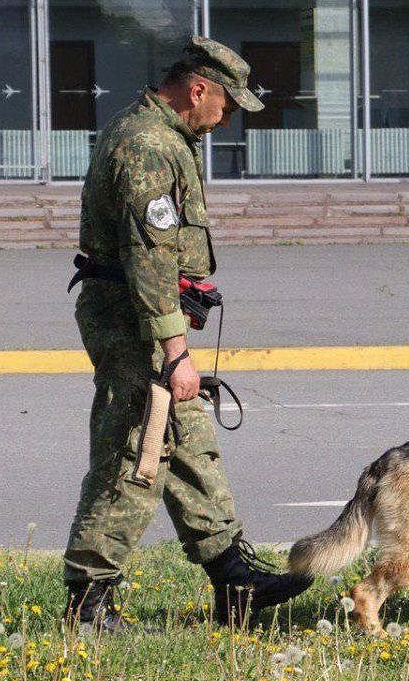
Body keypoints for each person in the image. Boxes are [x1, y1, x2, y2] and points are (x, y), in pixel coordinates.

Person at [63, 36, 312, 632]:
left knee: (189, 440)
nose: (227, 120)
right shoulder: (148, 146)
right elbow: (149, 258)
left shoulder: (164, 134)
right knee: (139, 448)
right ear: (198, 90)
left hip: (149, 315)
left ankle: (235, 581)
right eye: (226, 106)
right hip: (135, 320)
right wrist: (175, 353)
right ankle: (88, 605)